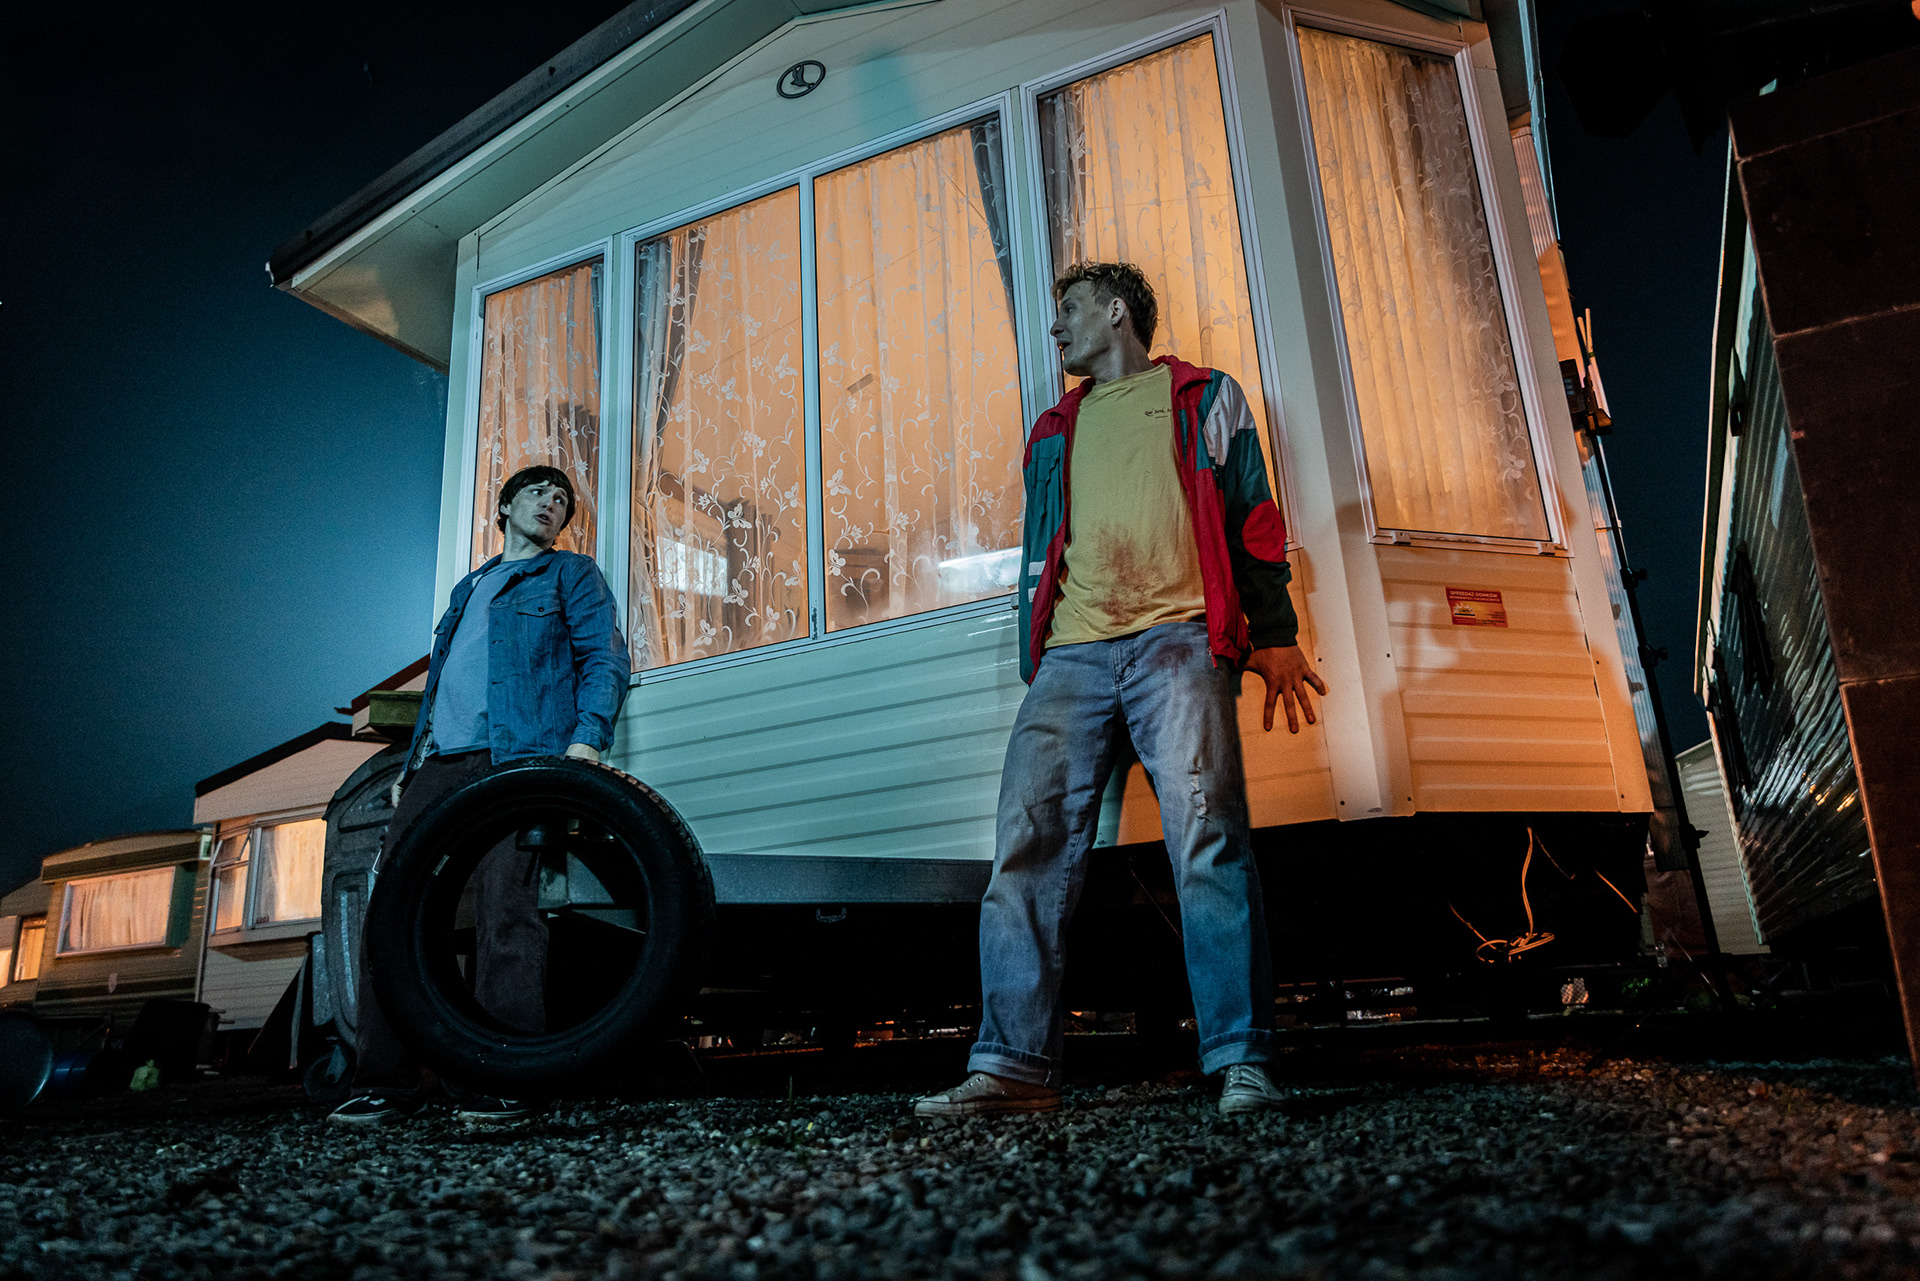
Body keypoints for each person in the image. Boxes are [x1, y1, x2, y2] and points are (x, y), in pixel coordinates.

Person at [914, 263, 1328, 1120]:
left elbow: (1254, 519)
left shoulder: (1205, 396)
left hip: (1178, 641)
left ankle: (1243, 1061)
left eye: (1067, 310)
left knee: (1208, 841)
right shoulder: (1052, 429)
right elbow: (1044, 548)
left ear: (1114, 312)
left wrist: (1275, 633)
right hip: (1072, 657)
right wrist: (1038, 653)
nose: (1056, 328)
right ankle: (1014, 1067)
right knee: (1024, 849)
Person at [328, 464, 630, 1125]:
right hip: (440, 764)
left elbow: (604, 656)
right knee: (394, 915)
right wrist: (414, 762)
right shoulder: (467, 589)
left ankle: (498, 1080)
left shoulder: (571, 575)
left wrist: (587, 738)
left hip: (518, 758)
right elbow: (442, 685)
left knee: (507, 912)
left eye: (562, 500)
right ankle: (384, 1084)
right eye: (538, 493)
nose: (551, 503)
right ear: (505, 505)